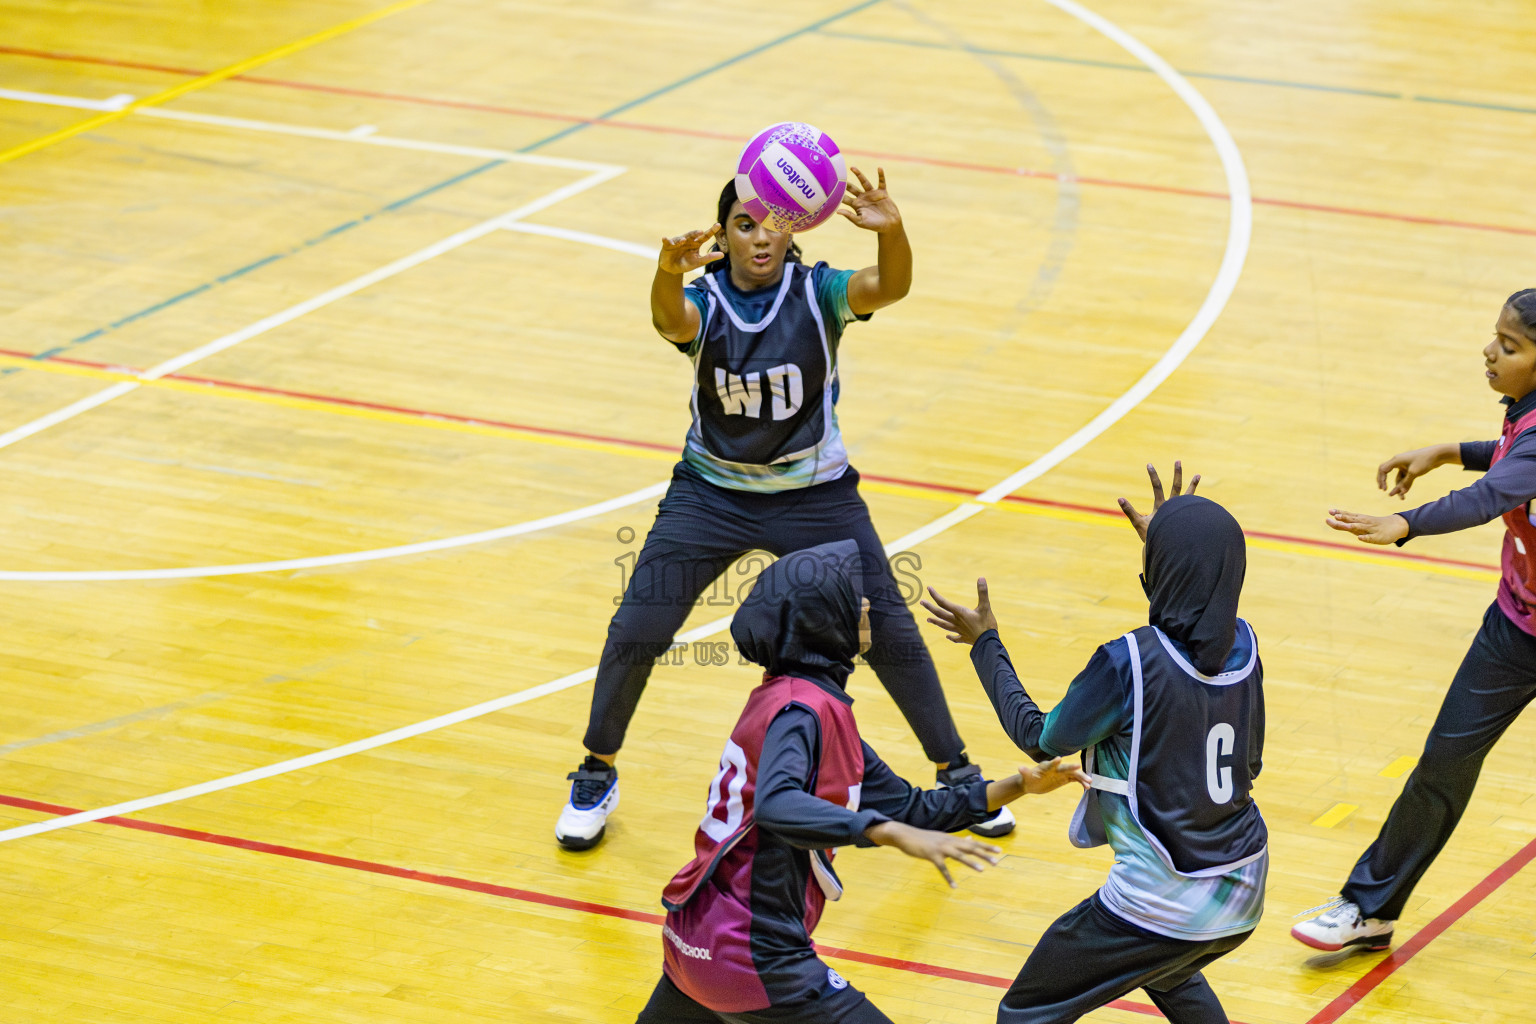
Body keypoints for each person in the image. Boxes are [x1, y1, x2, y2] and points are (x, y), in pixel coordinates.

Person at [558, 168, 1014, 850]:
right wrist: (664, 272)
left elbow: (889, 287)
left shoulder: (819, 291)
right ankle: (597, 769)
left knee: (886, 624)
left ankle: (956, 773)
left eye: (774, 222)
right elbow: (668, 319)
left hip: (816, 495)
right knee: (638, 626)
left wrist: (894, 236)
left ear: (793, 228)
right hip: (711, 493)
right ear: (724, 237)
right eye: (745, 224)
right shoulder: (704, 302)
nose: (761, 236)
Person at [636, 540, 1088, 1024]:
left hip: (693, 937)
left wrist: (1018, 786)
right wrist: (882, 831)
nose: (867, 603)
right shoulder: (802, 711)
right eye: (852, 597)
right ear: (822, 621)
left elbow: (911, 808)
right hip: (752, 953)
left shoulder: (799, 701)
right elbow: (776, 804)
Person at [923, 465, 1267, 1024]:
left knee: (1025, 1013)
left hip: (1162, 897)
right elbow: (1248, 761)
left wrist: (986, 644)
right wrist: (1171, 543)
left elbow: (1041, 738)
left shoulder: (1127, 662)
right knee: (1170, 971)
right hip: (1244, 883)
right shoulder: (1245, 646)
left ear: (1156, 576)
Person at [1293, 288, 1536, 951]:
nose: (1490, 351)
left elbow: (1497, 493)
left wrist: (1404, 522)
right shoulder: (1526, 413)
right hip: (1518, 627)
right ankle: (1370, 910)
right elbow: (1511, 454)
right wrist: (1447, 449)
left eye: (1510, 346)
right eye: (1496, 337)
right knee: (1444, 763)